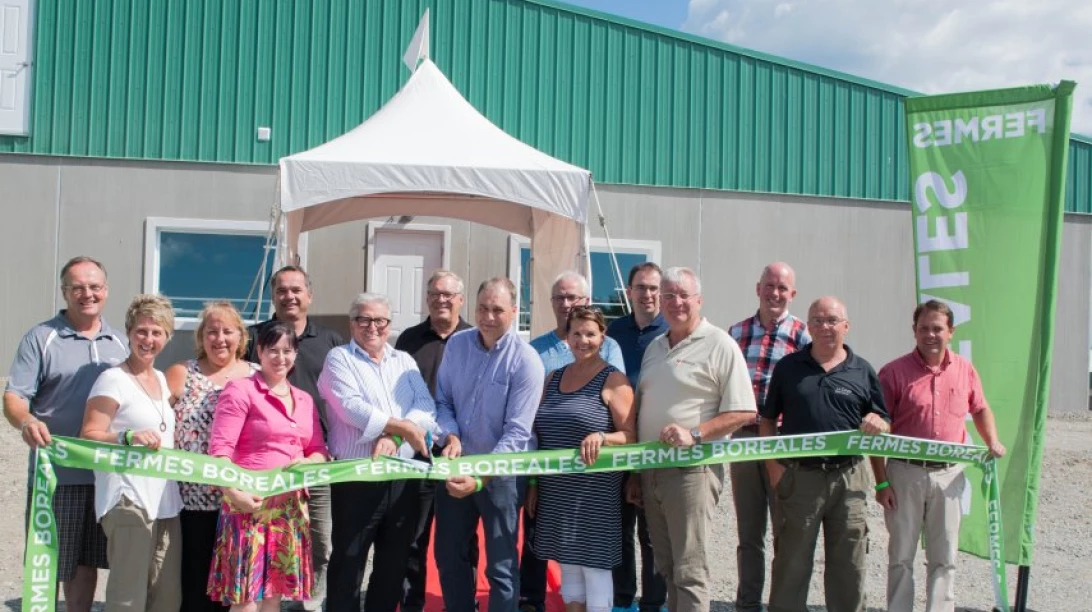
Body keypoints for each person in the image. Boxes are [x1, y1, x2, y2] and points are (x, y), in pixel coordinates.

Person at [4, 256, 128, 612]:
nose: (87, 294)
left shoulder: (120, 343)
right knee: (51, 561)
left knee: (88, 561)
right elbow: (14, 396)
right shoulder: (41, 338)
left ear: (105, 290)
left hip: (106, 473)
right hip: (57, 474)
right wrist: (26, 422)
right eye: (78, 288)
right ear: (65, 292)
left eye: (94, 286)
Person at [630, 266, 757, 612]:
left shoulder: (719, 344)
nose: (675, 302)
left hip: (692, 472)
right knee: (668, 568)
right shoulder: (656, 346)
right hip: (652, 471)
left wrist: (695, 434)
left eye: (683, 295)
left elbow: (744, 411)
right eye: (668, 295)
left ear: (699, 300)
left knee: (690, 570)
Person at [874, 300, 1006, 612]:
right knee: (901, 556)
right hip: (905, 474)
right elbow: (878, 434)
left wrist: (993, 441)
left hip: (950, 476)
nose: (930, 335)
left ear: (951, 332)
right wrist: (882, 484)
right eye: (924, 328)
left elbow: (981, 408)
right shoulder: (893, 373)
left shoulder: (965, 369)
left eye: (937, 328)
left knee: (944, 557)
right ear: (914, 331)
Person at [761, 297, 890, 612]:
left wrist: (879, 422)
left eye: (832, 320)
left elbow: (883, 420)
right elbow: (767, 419)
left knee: (849, 562)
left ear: (846, 326)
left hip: (849, 478)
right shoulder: (789, 367)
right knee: (791, 563)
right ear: (808, 326)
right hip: (800, 476)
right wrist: (774, 468)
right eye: (817, 320)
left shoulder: (862, 370)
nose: (824, 327)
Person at [319, 293, 438, 612]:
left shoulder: (404, 361)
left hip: (402, 477)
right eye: (364, 319)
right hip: (357, 476)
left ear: (389, 324)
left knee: (392, 565)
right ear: (352, 323)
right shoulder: (339, 359)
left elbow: (426, 408)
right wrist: (403, 430)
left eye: (380, 320)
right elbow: (351, 408)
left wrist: (395, 439)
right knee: (349, 561)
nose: (373, 327)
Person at [433, 277, 545, 612]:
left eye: (498, 309)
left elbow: (517, 433)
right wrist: (449, 435)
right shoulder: (457, 345)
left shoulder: (526, 360)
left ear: (514, 311)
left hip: (502, 475)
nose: (488, 317)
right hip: (456, 465)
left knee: (501, 565)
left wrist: (481, 477)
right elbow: (442, 402)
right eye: (483, 308)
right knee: (449, 556)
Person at [208, 321, 329, 611]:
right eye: (272, 350)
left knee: (274, 595)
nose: (280, 358)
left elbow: (319, 451)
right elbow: (219, 452)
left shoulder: (304, 400)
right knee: (246, 599)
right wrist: (233, 493)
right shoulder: (240, 391)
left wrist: (309, 461)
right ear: (259, 352)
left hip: (289, 508)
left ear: (296, 354)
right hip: (249, 504)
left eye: (287, 351)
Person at [524, 270, 625, 612]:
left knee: (595, 569)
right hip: (556, 490)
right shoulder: (552, 377)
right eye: (576, 334)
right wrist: (535, 483)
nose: (583, 340)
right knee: (569, 571)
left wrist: (603, 436)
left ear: (603, 337)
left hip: (596, 491)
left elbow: (632, 436)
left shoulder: (614, 380)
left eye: (590, 334)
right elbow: (538, 433)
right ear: (566, 338)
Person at [246, 265, 343, 612]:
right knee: (259, 543)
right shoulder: (253, 337)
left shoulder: (331, 341)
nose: (289, 296)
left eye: (296, 290)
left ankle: (309, 603)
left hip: (315, 460)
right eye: (282, 290)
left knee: (318, 540)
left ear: (309, 295)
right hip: (262, 466)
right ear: (274, 296)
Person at [79, 294, 183, 612]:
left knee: (166, 598)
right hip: (128, 498)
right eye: (141, 331)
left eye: (156, 332)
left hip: (166, 500)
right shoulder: (113, 379)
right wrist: (128, 437)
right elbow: (89, 435)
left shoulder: (163, 381)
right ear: (129, 332)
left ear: (167, 337)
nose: (148, 339)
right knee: (128, 598)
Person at [726, 262, 810, 612]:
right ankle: (748, 603)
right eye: (769, 286)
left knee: (785, 531)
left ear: (792, 294)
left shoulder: (805, 336)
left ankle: (783, 604)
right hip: (745, 439)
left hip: (782, 441)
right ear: (758, 288)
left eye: (782, 288)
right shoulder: (736, 332)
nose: (775, 293)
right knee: (749, 533)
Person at [166, 302, 257, 612]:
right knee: (194, 585)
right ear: (201, 336)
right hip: (193, 500)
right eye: (212, 331)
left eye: (227, 331)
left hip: (243, 501)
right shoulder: (181, 373)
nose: (220, 338)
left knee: (237, 589)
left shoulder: (257, 377)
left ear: (240, 337)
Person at [394, 270, 475, 612]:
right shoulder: (408, 340)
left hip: (462, 452)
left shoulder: (476, 338)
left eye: (448, 294)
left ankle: (461, 603)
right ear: (427, 298)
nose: (441, 300)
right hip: (418, 453)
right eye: (434, 294)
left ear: (460, 299)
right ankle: (412, 604)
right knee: (413, 536)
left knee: (461, 539)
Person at [605, 262, 668, 612]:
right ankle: (622, 599)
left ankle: (654, 602)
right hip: (618, 442)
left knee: (652, 531)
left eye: (654, 288)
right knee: (618, 528)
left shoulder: (671, 332)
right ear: (629, 292)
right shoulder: (613, 333)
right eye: (641, 288)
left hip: (655, 443)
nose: (648, 295)